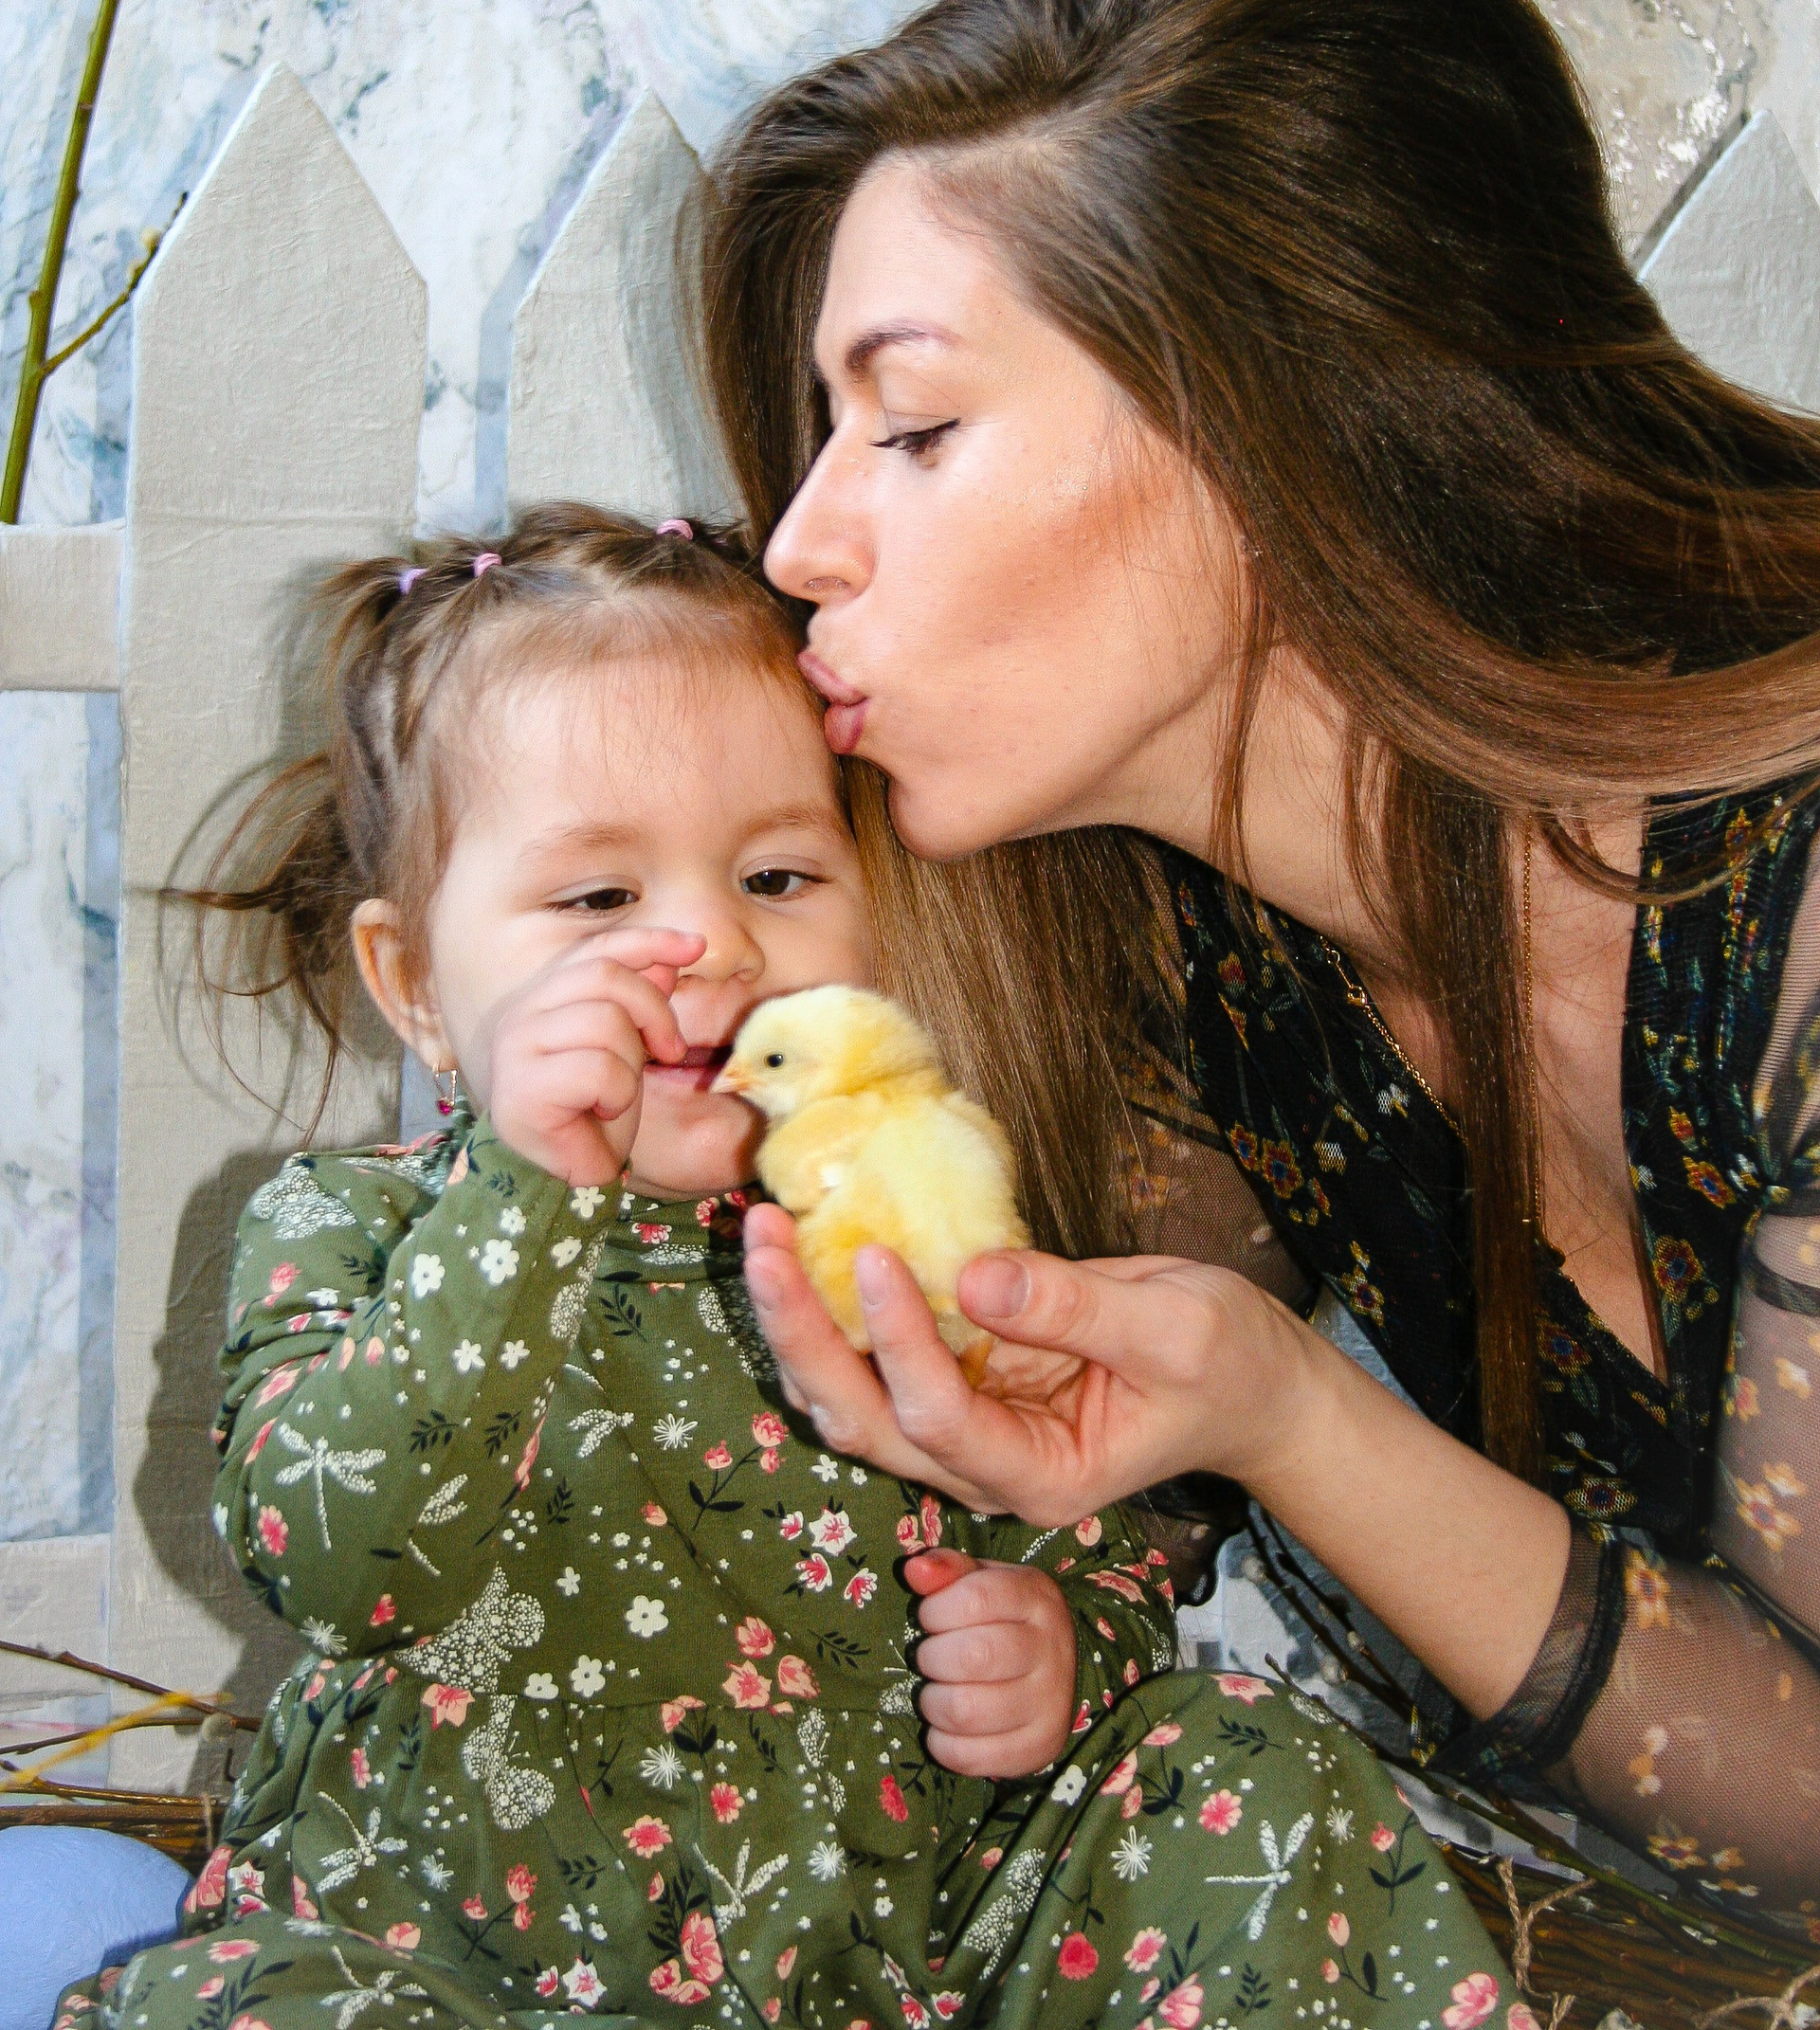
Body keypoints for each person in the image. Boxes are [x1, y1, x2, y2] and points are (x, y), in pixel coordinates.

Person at [697, 0, 1820, 1935]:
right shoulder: (1218, 973)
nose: (798, 544)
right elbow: (1067, 1451)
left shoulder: (1802, 924)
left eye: (911, 426)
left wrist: (1297, 1420)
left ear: (1266, 411)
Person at [51, 505, 1514, 2030]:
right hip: (457, 1963)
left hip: (893, 1968)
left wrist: (1057, 1646)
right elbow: (332, 1564)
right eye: (600, 898)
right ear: (415, 984)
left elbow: (1077, 1515)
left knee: (1244, 1763)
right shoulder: (358, 1227)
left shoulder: (894, 1222)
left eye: (775, 877)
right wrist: (521, 1196)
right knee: (235, 2005)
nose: (708, 942)